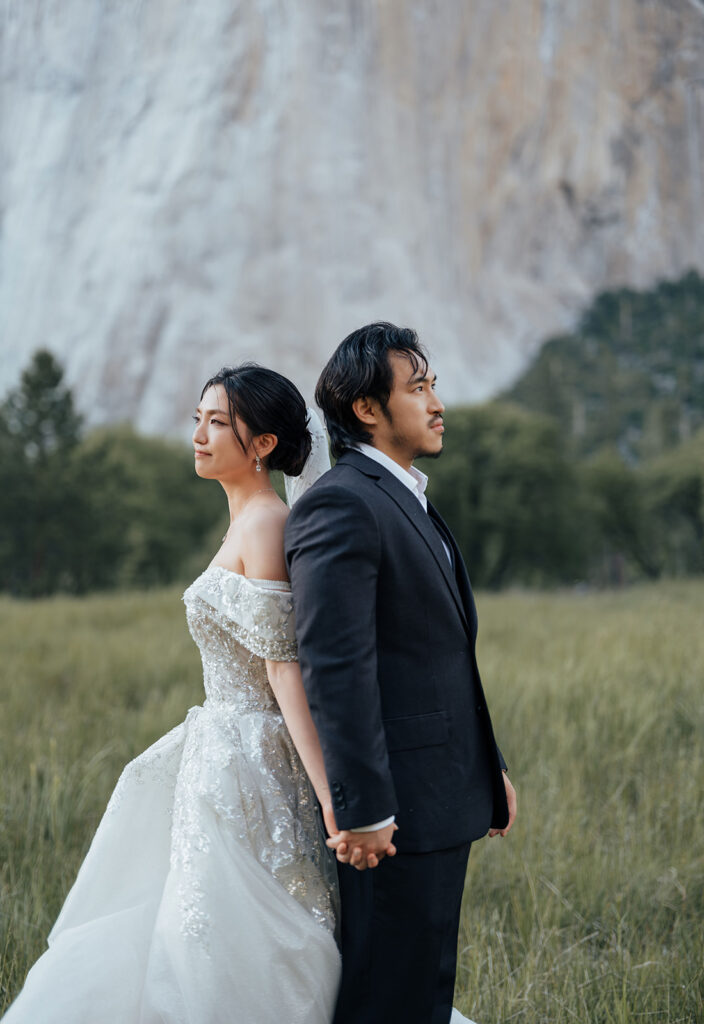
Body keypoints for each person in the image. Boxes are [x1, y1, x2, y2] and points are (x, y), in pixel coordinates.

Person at [0, 364, 341, 1024]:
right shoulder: (244, 521)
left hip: (251, 760)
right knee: (194, 929)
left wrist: (331, 801)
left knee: (245, 932)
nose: (200, 436)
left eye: (219, 423)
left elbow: (283, 671)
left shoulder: (266, 524)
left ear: (263, 444)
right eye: (198, 421)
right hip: (216, 751)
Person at [285, 323, 517, 1024]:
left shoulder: (406, 495)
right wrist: (364, 810)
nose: (436, 402)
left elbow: (434, 657)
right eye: (417, 387)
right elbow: (336, 665)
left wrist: (489, 767)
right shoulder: (343, 502)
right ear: (365, 408)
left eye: (433, 385)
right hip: (394, 816)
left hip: (442, 794)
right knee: (390, 1003)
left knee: (423, 994)